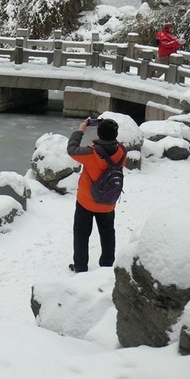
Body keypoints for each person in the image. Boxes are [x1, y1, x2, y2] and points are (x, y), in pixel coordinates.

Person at [67, 116, 127, 273]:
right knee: (108, 233)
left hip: (86, 202)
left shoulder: (91, 153)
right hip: (108, 202)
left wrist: (80, 130)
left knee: (81, 234)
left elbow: (72, 149)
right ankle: (107, 266)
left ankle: (80, 267)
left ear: (99, 134)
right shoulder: (122, 152)